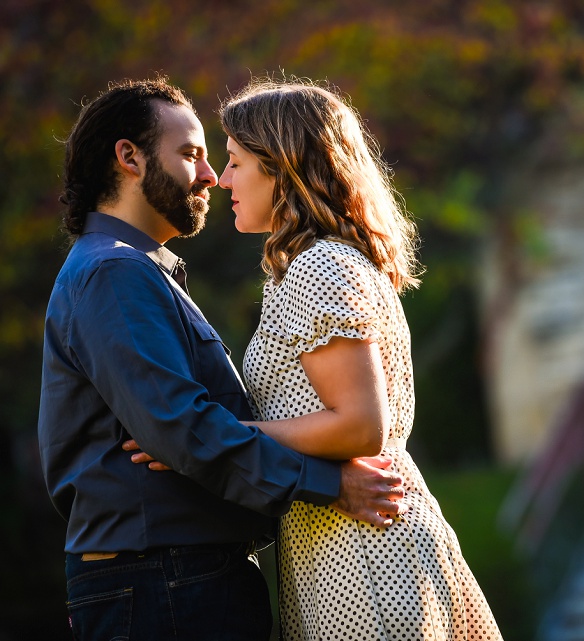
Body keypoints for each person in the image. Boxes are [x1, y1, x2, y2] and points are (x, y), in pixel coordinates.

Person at [37, 77, 406, 641]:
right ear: (129, 158)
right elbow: (182, 430)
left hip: (174, 578)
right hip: (163, 580)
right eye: (191, 155)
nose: (212, 176)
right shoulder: (114, 273)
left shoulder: (137, 272)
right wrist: (330, 483)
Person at [214, 78, 503, 640]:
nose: (223, 179)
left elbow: (359, 425)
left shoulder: (319, 266)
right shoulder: (316, 264)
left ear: (281, 166)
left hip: (365, 556)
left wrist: (223, 434)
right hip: (339, 545)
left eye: (235, 162)